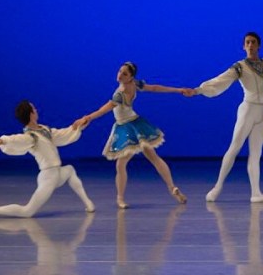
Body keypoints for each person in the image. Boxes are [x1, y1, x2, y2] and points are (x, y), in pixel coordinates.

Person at [186, 15, 263, 202]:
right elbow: (220, 80)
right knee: (234, 147)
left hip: (262, 112)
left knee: (256, 153)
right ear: (243, 46)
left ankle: (256, 193)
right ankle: (217, 186)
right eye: (247, 42)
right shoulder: (240, 67)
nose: (250, 45)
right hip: (247, 110)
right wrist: (199, 90)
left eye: (253, 42)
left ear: (258, 46)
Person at [79, 62, 187, 209]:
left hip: (126, 127)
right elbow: (155, 88)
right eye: (120, 71)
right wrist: (178, 90)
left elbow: (104, 109)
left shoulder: (120, 93)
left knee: (121, 164)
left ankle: (120, 198)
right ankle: (172, 187)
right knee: (153, 157)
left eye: (124, 74)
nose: (120, 75)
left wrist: (88, 117)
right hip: (136, 123)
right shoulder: (134, 84)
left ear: (130, 77)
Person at [0, 100, 95, 217]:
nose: (36, 110)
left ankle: (88, 203)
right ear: (31, 114)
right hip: (48, 176)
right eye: (34, 109)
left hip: (57, 173)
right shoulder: (31, 137)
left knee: (70, 170)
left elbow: (61, 134)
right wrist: (2, 141)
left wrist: (77, 126)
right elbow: (16, 139)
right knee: (27, 211)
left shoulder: (44, 129)